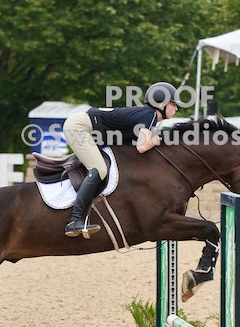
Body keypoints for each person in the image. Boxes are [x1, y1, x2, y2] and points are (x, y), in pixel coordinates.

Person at [62, 82, 179, 238]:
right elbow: (142, 147)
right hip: (80, 127)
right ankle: (74, 221)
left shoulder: (147, 115)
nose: (176, 108)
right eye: (174, 104)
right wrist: (157, 139)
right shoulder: (150, 115)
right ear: (162, 104)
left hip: (87, 127)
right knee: (99, 169)